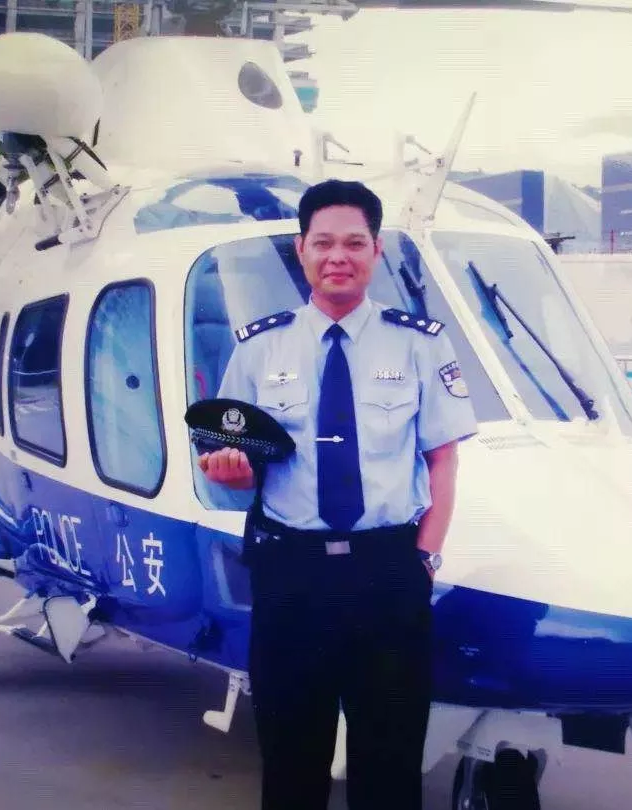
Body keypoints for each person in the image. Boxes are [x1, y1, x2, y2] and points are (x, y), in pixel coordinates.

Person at [197, 179, 478, 810]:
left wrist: (426, 557)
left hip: (389, 574)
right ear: (301, 250)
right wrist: (231, 473)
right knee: (290, 763)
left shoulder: (419, 342)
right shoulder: (258, 347)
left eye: (354, 243)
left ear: (376, 250)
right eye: (323, 243)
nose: (337, 257)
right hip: (290, 576)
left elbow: (443, 459)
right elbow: (233, 459)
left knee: (391, 765)